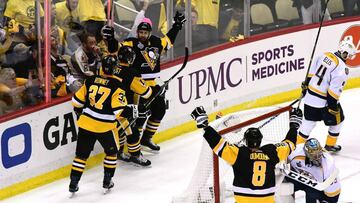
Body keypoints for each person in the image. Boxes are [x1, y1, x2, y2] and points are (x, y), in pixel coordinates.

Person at [190, 106, 303, 203]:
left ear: (245, 141)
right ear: (260, 140)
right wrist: (294, 126)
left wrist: (205, 125)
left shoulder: (239, 153)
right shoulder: (272, 152)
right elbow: (290, 144)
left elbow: (218, 144)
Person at [113, 11, 185, 152]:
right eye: (140, 32)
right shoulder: (130, 43)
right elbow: (117, 48)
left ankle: (146, 138)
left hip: (153, 85)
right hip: (137, 86)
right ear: (137, 32)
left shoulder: (157, 42)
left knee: (160, 110)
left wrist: (177, 26)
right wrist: (110, 40)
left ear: (150, 33)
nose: (143, 35)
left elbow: (168, 41)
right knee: (140, 116)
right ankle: (134, 144)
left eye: (145, 33)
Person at [69, 55, 138, 193]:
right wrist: (132, 111)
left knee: (81, 156)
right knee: (112, 154)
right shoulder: (118, 86)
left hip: (86, 124)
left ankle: (73, 183)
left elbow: (76, 102)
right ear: (115, 69)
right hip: (105, 127)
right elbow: (119, 111)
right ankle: (107, 180)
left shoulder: (90, 80)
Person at [298, 39, 357, 152]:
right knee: (339, 120)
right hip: (323, 102)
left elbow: (310, 74)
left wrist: (305, 87)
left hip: (310, 97)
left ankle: (297, 147)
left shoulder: (323, 55)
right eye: (349, 55)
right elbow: (333, 92)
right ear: (345, 54)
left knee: (308, 123)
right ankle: (330, 145)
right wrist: (332, 107)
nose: (348, 57)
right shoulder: (341, 69)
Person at [107, 46, 162, 166]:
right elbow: (146, 93)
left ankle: (120, 152)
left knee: (119, 128)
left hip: (105, 106)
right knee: (132, 131)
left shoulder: (110, 67)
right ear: (130, 59)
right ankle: (135, 155)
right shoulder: (132, 73)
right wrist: (156, 90)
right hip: (122, 107)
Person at [287, 138, 341, 203]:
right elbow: (283, 160)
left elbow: (332, 192)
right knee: (284, 185)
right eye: (314, 155)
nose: (317, 157)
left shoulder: (328, 164)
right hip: (302, 180)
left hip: (318, 187)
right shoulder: (295, 152)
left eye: (319, 153)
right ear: (306, 153)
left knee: (312, 194)